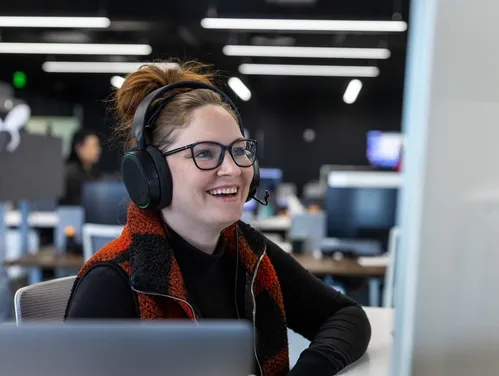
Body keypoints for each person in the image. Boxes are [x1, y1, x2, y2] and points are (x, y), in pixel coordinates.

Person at [64, 61, 371, 376]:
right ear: (150, 174)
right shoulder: (113, 283)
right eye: (206, 153)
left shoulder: (250, 253)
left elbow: (345, 316)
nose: (234, 169)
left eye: (240, 150)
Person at [59, 129, 102, 205]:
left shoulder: (96, 172)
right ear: (79, 148)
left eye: (98, 145)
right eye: (93, 145)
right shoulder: (69, 174)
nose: (98, 150)